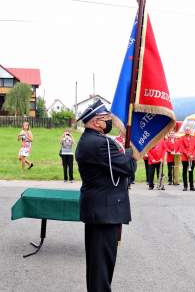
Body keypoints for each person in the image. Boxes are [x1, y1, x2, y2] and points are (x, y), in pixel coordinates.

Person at [75, 99, 136, 292]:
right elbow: (128, 168)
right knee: (101, 270)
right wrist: (132, 149)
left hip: (101, 211)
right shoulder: (98, 143)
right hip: (103, 213)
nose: (109, 122)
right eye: (106, 118)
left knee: (99, 269)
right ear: (95, 122)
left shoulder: (92, 140)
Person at [179, 127, 195, 191]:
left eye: (189, 130)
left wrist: (192, 155)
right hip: (185, 158)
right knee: (184, 172)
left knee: (191, 172)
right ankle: (185, 186)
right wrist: (187, 154)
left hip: (192, 158)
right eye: (186, 130)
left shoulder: (194, 138)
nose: (187, 131)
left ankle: (192, 186)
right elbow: (182, 147)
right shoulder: (182, 138)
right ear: (185, 131)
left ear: (190, 131)